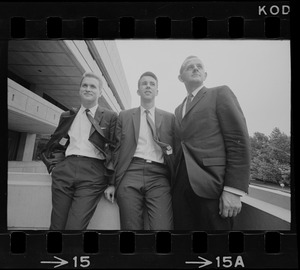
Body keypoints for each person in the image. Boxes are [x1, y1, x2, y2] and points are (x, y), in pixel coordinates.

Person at [172, 56, 251, 230]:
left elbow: (238, 141)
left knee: (217, 248)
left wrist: (233, 190)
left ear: (205, 74)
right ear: (180, 77)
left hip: (212, 187)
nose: (195, 68)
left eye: (199, 66)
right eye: (189, 67)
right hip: (181, 190)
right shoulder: (178, 109)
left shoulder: (220, 93)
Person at [40, 71, 118, 230]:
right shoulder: (67, 115)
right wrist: (55, 167)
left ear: (100, 92)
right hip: (65, 169)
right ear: (79, 89)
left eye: (93, 86)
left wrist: (112, 182)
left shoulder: (110, 116)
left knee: (75, 228)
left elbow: (115, 149)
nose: (88, 89)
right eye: (85, 85)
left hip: (93, 172)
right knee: (56, 225)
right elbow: (55, 144)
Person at [105, 71, 175, 230]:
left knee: (163, 228)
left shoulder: (170, 118)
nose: (148, 86)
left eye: (152, 84)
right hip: (130, 173)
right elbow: (115, 150)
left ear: (157, 91)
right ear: (138, 91)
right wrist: (112, 183)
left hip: (159, 176)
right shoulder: (124, 116)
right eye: (144, 83)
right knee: (130, 229)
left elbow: (176, 152)